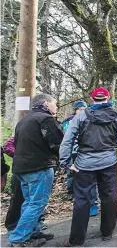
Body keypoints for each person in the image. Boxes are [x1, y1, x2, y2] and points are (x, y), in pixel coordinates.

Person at [60, 87, 117, 246]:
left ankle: (77, 240)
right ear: (108, 98)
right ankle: (107, 232)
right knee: (109, 197)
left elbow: (68, 139)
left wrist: (66, 162)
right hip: (109, 162)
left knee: (81, 200)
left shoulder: (81, 116)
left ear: (92, 99)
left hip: (84, 164)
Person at [8, 94, 64, 247]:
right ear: (46, 104)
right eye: (55, 104)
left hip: (21, 168)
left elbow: (16, 143)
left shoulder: (24, 119)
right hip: (39, 167)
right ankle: (18, 239)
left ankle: (32, 232)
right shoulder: (45, 119)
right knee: (36, 203)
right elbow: (57, 144)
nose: (56, 107)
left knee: (29, 202)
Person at [3, 137, 49, 235]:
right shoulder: (23, 135)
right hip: (22, 170)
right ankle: (13, 226)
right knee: (18, 199)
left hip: (38, 169)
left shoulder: (42, 136)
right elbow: (7, 146)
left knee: (35, 200)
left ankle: (34, 227)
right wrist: (21, 157)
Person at [61, 101, 99, 216]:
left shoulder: (91, 119)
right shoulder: (67, 122)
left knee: (91, 180)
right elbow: (66, 139)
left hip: (87, 154)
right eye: (79, 109)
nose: (82, 111)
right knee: (72, 176)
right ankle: (75, 197)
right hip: (72, 154)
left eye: (84, 108)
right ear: (75, 110)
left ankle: (93, 204)